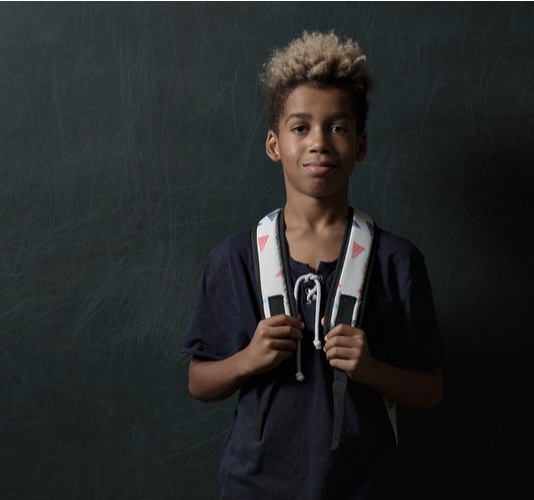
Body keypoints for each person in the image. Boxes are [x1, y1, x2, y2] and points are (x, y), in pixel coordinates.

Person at [182, 31, 444, 499]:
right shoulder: (235, 260)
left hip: (364, 485)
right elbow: (200, 382)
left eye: (338, 127)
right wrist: (249, 359)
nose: (319, 143)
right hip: (255, 486)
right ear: (274, 144)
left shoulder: (397, 261)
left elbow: (430, 389)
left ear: (360, 145)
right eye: (300, 127)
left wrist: (371, 369)